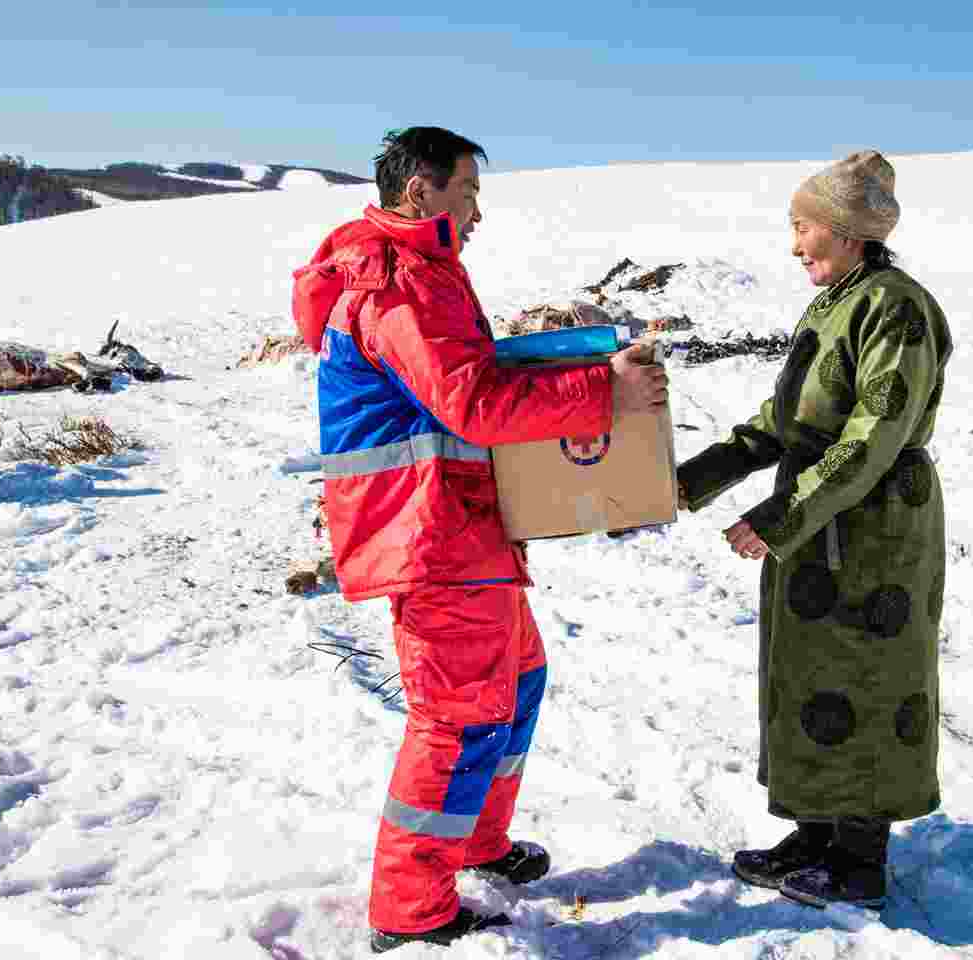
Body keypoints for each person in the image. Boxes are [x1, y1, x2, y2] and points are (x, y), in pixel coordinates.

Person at [291, 127, 668, 952]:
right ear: (420, 190)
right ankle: (411, 908)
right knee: (458, 717)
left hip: (459, 525)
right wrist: (603, 390)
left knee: (519, 680)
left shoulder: (425, 273)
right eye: (469, 193)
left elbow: (465, 391)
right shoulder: (399, 281)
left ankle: (474, 843)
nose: (478, 215)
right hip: (427, 534)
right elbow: (473, 405)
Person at [676, 150, 953, 910]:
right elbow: (782, 422)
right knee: (806, 672)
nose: (794, 245)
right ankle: (815, 831)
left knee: (866, 670)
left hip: (871, 525)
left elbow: (874, 435)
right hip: (818, 519)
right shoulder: (832, 303)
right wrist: (686, 480)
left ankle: (858, 858)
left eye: (802, 227)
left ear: (843, 228)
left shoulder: (894, 306)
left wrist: (778, 518)